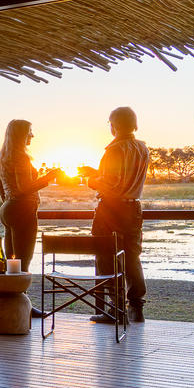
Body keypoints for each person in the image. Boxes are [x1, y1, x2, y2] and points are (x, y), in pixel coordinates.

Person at [79, 106, 150, 323]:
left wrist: (90, 180)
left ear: (114, 125)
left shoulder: (114, 150)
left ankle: (115, 308)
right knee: (132, 257)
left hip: (111, 209)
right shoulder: (142, 148)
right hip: (133, 208)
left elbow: (111, 184)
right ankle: (136, 307)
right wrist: (98, 173)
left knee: (106, 256)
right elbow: (123, 177)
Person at [0, 120, 61, 316]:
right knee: (23, 261)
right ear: (21, 135)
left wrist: (9, 203)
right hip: (23, 209)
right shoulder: (21, 157)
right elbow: (24, 188)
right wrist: (48, 178)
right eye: (30, 132)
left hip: (8, 209)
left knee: (11, 260)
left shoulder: (4, 156)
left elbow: (0, 185)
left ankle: (13, 304)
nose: (32, 135)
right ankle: (23, 308)